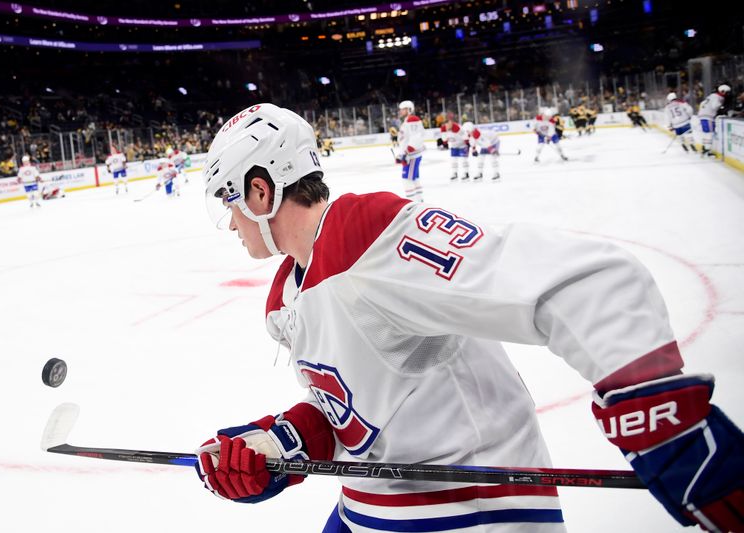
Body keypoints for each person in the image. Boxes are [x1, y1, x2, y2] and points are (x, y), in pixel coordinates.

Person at [195, 103, 744, 533]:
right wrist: (282, 445)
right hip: (367, 514)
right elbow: (355, 411)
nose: (229, 221)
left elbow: (583, 284)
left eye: (229, 200)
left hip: (471, 516)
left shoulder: (369, 237)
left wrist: (660, 417)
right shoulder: (291, 295)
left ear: (260, 190)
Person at [395, 100, 425, 201]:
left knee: (406, 179)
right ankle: (419, 200)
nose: (401, 111)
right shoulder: (408, 120)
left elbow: (416, 137)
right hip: (410, 154)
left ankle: (413, 203)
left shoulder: (412, 119)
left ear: (409, 109)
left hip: (411, 155)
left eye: (403, 109)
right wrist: (401, 154)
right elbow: (406, 138)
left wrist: (406, 153)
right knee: (414, 178)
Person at [697, 84, 731, 157]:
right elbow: (715, 106)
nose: (727, 94)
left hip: (703, 115)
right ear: (723, 91)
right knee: (710, 133)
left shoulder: (712, 96)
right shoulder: (717, 97)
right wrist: (722, 107)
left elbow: (702, 103)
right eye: (727, 92)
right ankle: (707, 150)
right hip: (708, 116)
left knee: (706, 133)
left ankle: (705, 148)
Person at [441, 115, 471, 181]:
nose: (448, 126)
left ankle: (466, 173)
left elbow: (464, 135)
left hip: (462, 145)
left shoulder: (457, 127)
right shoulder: (443, 129)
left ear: (451, 123)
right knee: (454, 160)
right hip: (454, 145)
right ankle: (455, 173)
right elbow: (444, 137)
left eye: (449, 124)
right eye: (446, 124)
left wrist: (467, 143)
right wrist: (445, 143)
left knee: (464, 160)